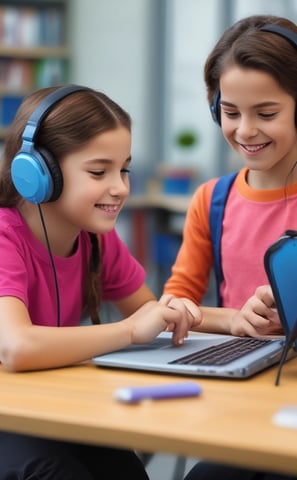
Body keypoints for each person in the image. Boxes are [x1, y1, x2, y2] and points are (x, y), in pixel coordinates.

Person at [0, 84, 201, 479]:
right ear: (38, 172)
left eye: (123, 169)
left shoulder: (94, 238)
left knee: (124, 471)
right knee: (53, 471)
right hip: (9, 417)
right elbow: (16, 347)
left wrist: (226, 321)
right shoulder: (5, 236)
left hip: (47, 407)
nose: (121, 187)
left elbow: (149, 311)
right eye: (99, 171)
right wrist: (128, 331)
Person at [165, 14, 297, 480]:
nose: (245, 131)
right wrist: (234, 318)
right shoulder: (212, 201)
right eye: (230, 112)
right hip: (240, 396)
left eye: (266, 114)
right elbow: (175, 302)